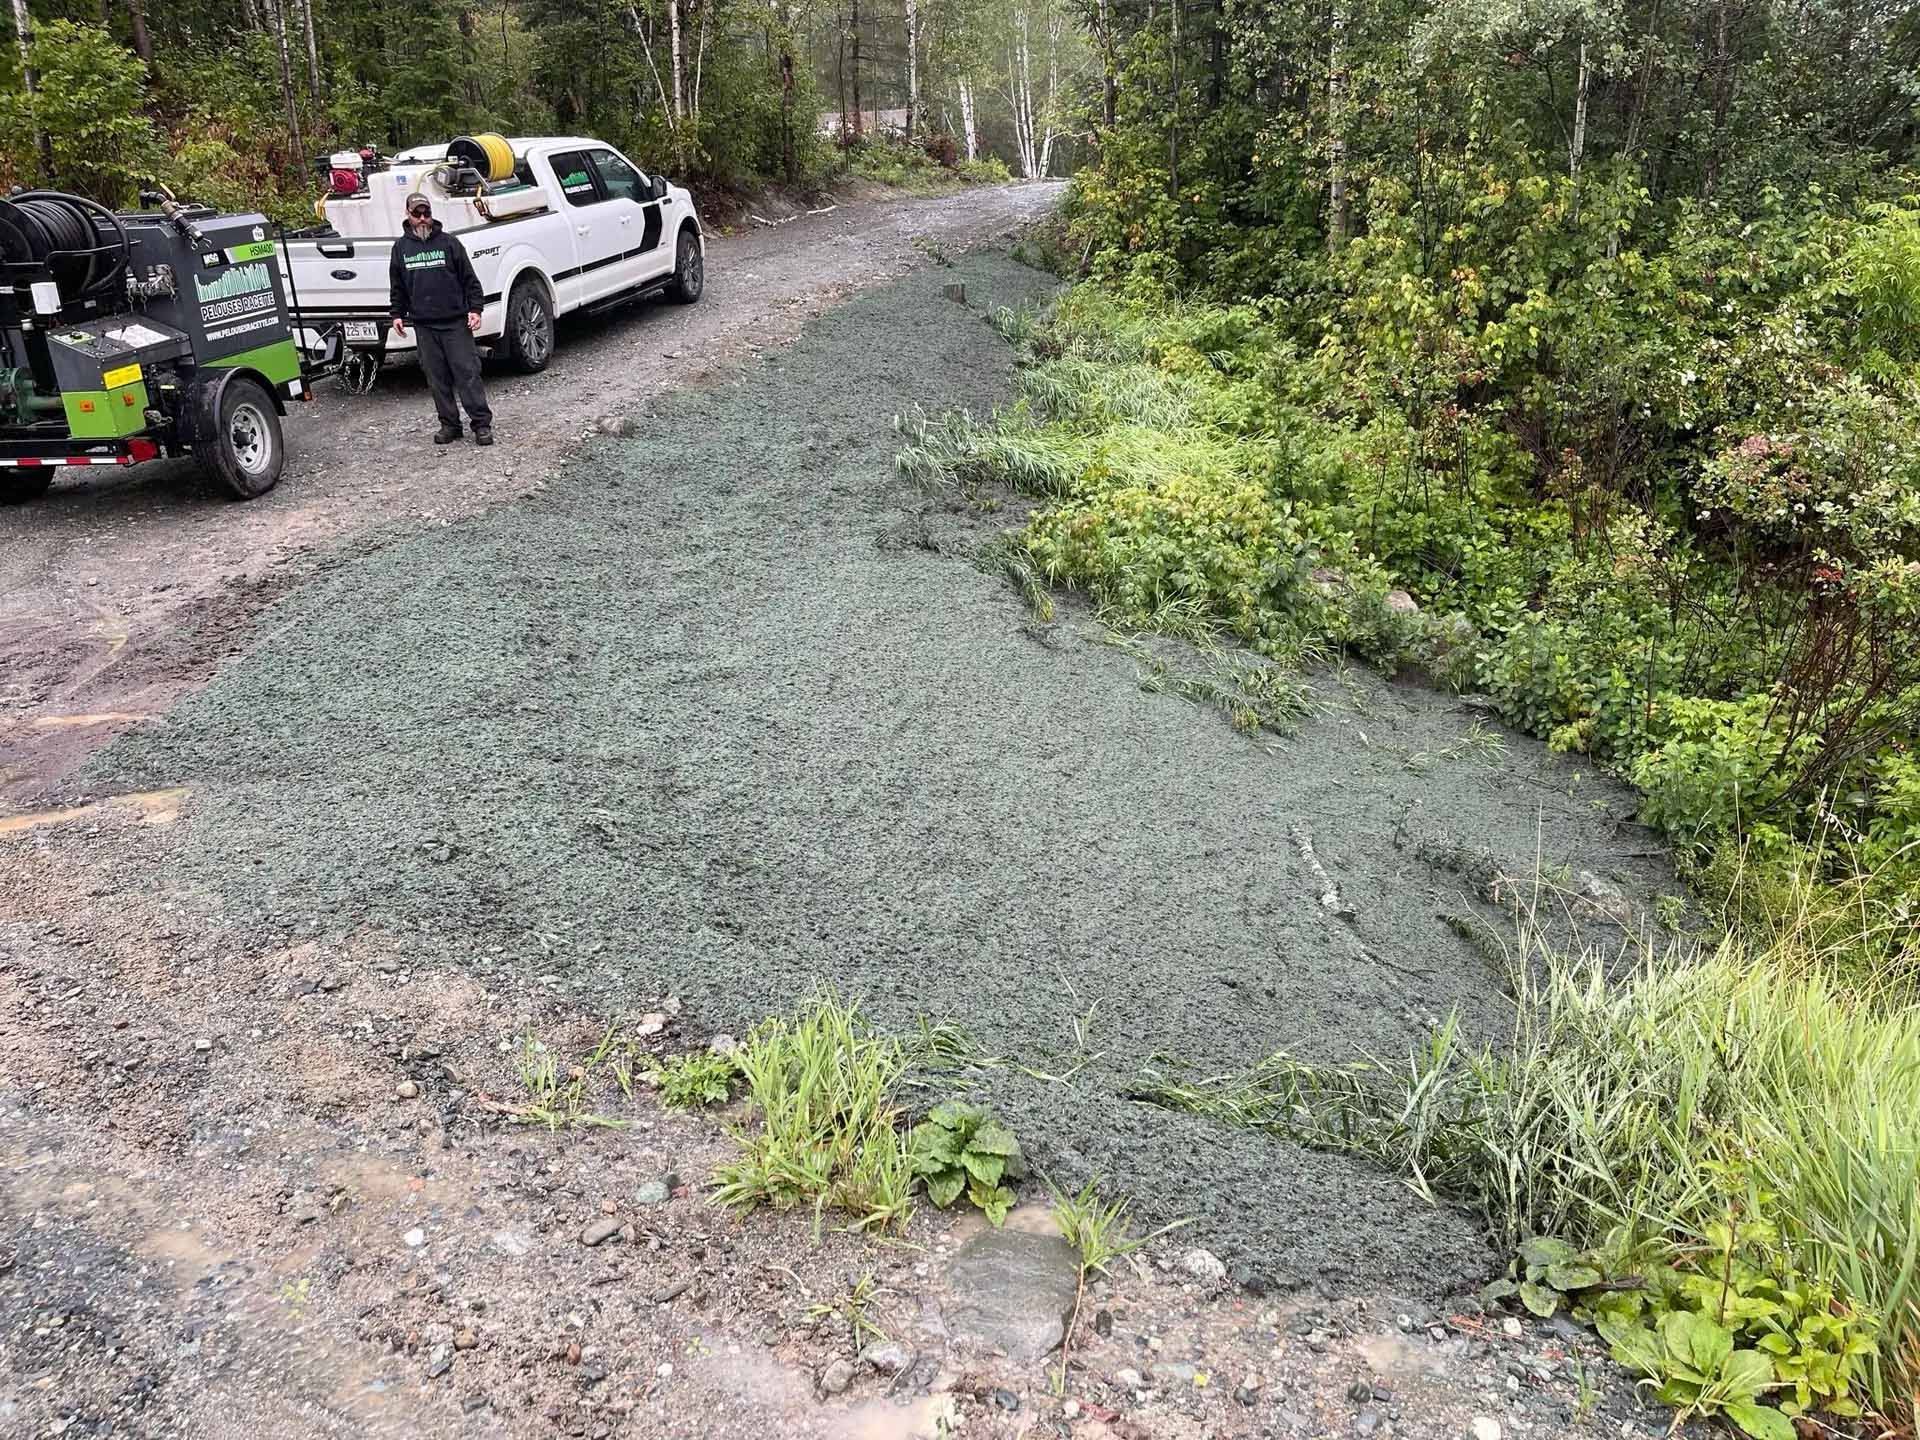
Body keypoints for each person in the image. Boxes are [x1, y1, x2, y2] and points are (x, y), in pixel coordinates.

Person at [389, 192, 494, 446]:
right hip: (424, 326)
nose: (423, 219)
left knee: (468, 374)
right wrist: (397, 314)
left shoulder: (450, 243)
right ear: (408, 214)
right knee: (436, 379)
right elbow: (398, 285)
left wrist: (475, 309)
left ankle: (481, 425)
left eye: (426, 213)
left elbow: (470, 280)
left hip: (456, 323)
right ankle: (450, 425)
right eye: (417, 214)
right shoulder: (401, 248)